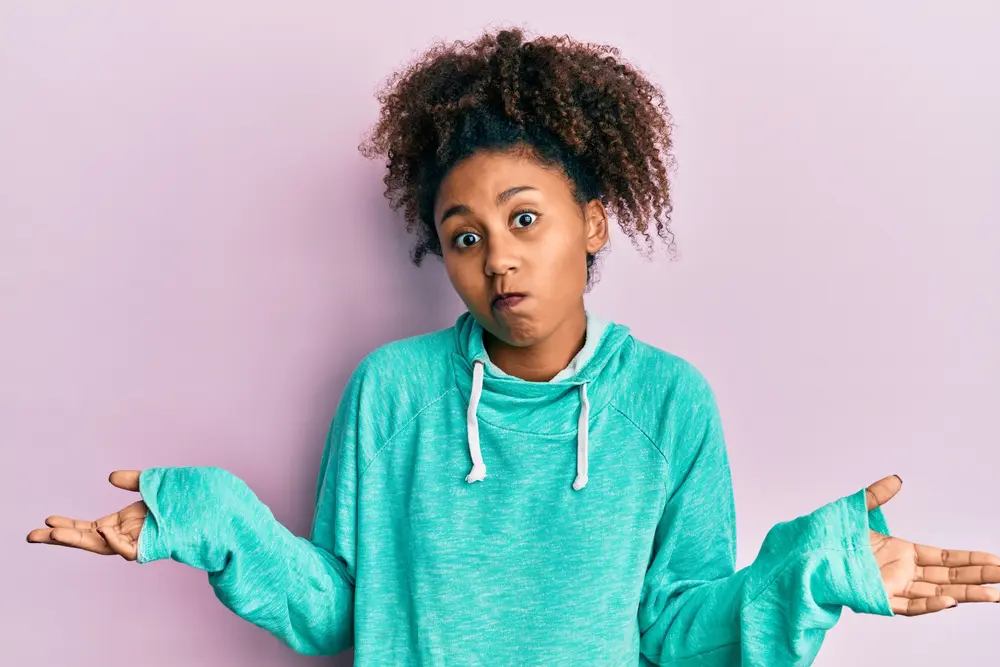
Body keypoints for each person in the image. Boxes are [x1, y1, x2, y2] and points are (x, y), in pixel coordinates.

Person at [27, 27, 999, 666]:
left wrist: (803, 574)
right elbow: (334, 614)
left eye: (524, 218)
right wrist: (223, 522)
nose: (498, 259)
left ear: (594, 221)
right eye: (464, 235)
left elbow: (675, 633)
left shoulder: (668, 402)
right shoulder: (392, 393)